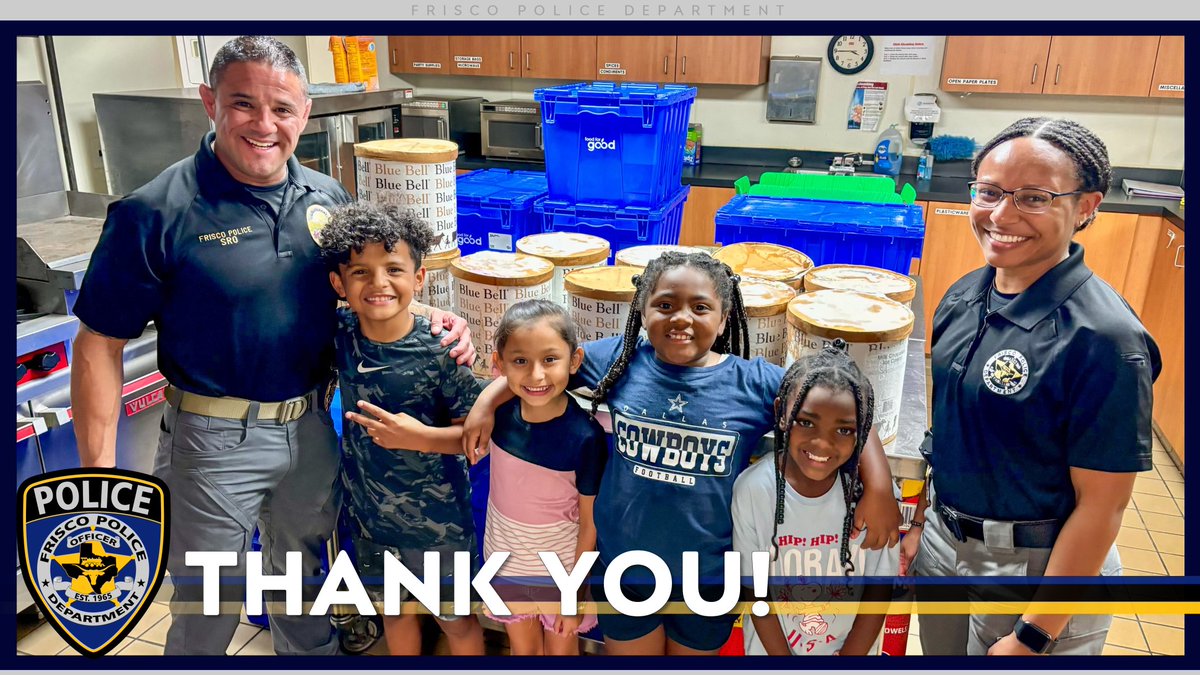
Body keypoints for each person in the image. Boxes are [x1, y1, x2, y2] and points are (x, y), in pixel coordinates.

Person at [70, 36, 474, 656]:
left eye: (282, 109)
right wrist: (97, 479)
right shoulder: (154, 211)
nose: (264, 125)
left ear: (304, 113)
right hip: (212, 443)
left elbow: (363, 290)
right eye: (243, 104)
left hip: (313, 427)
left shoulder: (327, 199)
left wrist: (437, 319)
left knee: (305, 594)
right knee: (210, 608)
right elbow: (98, 343)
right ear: (210, 103)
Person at [464, 251, 901, 656]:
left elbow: (840, 400)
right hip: (625, 570)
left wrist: (879, 488)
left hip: (706, 577)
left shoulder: (751, 382)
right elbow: (547, 363)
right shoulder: (623, 359)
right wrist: (488, 400)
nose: (682, 319)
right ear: (642, 309)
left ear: (725, 316)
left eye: (700, 307)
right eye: (666, 305)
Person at [902, 117, 1162, 656]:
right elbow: (955, 433)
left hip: (1035, 572)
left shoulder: (1104, 339)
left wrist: (1035, 632)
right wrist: (924, 524)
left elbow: (1103, 508)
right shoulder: (963, 295)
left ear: (1087, 206)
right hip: (945, 547)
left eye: (1034, 198)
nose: (1001, 215)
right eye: (990, 192)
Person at [322, 201, 484, 655]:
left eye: (394, 269)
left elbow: (477, 441)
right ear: (338, 283)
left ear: (419, 278)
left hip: (439, 527)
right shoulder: (341, 332)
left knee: (456, 622)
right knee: (394, 614)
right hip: (371, 520)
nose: (378, 284)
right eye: (359, 272)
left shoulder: (441, 350)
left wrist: (420, 439)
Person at [732, 340, 898, 656]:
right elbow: (756, 593)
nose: (822, 443)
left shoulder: (868, 500)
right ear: (782, 413)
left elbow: (879, 589)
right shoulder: (754, 491)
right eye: (806, 422)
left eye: (844, 430)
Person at [481, 299, 607, 655]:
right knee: (523, 651)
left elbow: (588, 525)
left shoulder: (585, 437)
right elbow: (460, 440)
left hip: (561, 572)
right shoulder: (498, 415)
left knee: (561, 652)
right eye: (520, 361)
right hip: (506, 561)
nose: (536, 375)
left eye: (550, 360)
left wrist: (573, 594)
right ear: (499, 363)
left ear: (575, 360)